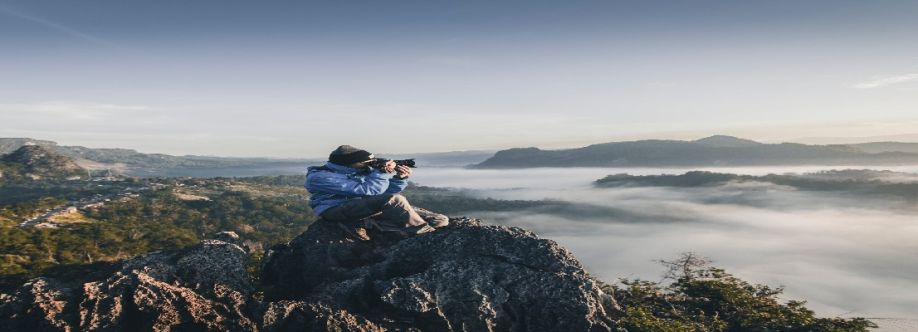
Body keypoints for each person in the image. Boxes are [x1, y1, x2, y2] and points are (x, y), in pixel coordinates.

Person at [305, 145, 449, 240]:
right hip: (335, 209)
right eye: (366, 163)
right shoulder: (319, 177)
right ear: (349, 163)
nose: (370, 166)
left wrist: (399, 178)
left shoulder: (360, 170)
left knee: (440, 220)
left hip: (363, 206)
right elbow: (370, 191)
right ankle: (426, 237)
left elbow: (383, 193)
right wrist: (381, 173)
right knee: (396, 200)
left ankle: (396, 233)